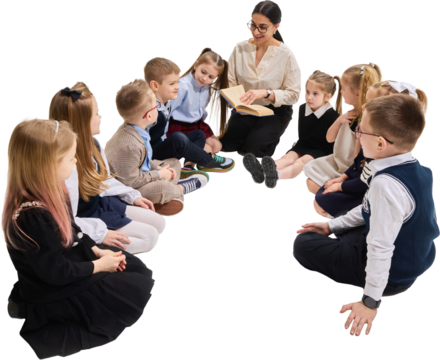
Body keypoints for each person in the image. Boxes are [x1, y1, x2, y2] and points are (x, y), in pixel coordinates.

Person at [2, 118, 155, 358]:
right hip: (55, 287)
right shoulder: (32, 217)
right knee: (125, 296)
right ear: (47, 165)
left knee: (137, 271)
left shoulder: (54, 190)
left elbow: (73, 231)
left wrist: (98, 251)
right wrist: (99, 266)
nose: (75, 161)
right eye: (70, 158)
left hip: (69, 261)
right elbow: (56, 272)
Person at [292, 94, 438, 338]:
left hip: (394, 275)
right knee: (350, 224)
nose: (357, 133)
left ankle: (363, 271)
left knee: (302, 244)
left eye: (362, 131)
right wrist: (333, 226)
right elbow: (368, 209)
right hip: (417, 256)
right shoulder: (419, 168)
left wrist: (370, 302)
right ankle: (344, 240)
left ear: (380, 144)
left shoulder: (385, 184)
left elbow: (381, 246)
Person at [49, 81, 166, 254]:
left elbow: (104, 179)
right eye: (96, 114)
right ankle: (92, 250)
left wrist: (132, 196)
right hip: (86, 218)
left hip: (101, 205)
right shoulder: (67, 165)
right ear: (82, 123)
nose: (101, 117)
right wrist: (101, 234)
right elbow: (68, 218)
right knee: (150, 238)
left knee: (160, 223)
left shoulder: (94, 144)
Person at [313, 79, 429, 219]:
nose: (363, 106)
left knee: (321, 202)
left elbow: (364, 182)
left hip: (362, 190)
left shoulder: (381, 157)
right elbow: (357, 162)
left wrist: (340, 186)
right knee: (320, 195)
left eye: (370, 102)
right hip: (355, 182)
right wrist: (343, 178)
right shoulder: (371, 144)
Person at [105, 78, 209, 218]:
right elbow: (131, 182)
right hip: (128, 188)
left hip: (139, 173)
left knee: (174, 162)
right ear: (149, 115)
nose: (159, 108)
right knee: (163, 187)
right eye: (156, 106)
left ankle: (169, 192)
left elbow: (144, 162)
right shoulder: (130, 145)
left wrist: (158, 168)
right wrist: (159, 175)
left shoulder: (138, 128)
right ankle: (179, 189)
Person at [220, 0, 301, 158]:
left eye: (262, 27)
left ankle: (270, 138)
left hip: (275, 110)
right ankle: (251, 131)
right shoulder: (240, 47)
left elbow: (294, 94)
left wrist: (266, 93)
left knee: (255, 148)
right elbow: (229, 80)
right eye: (253, 25)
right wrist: (235, 102)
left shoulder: (287, 54)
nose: (256, 32)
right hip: (245, 108)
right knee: (227, 143)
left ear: (276, 27)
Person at [242, 69, 340, 190]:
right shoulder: (303, 108)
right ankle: (261, 171)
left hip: (322, 150)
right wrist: (296, 144)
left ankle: (276, 176)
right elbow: (304, 134)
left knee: (301, 162)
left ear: (327, 97)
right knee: (287, 158)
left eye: (315, 94)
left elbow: (334, 142)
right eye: (307, 92)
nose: (309, 97)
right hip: (305, 144)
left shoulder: (332, 115)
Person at [144, 55, 236, 176]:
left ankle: (188, 166)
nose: (177, 87)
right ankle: (207, 161)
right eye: (173, 84)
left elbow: (201, 110)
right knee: (178, 138)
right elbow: (148, 133)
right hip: (157, 148)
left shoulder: (165, 104)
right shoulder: (155, 109)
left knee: (200, 135)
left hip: (181, 134)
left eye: (210, 77)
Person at [303, 61, 383, 196]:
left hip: (349, 168)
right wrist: (339, 120)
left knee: (312, 185)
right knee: (310, 170)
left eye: (344, 88)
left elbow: (357, 159)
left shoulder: (365, 122)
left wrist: (346, 177)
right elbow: (329, 138)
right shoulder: (348, 114)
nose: (341, 91)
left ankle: (338, 193)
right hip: (337, 161)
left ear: (357, 93)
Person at [168, 47, 236, 174]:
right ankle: (192, 163)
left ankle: (198, 157)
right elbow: (168, 110)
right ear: (196, 65)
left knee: (217, 146)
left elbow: (201, 110)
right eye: (203, 72)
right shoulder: (183, 86)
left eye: (211, 77)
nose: (205, 79)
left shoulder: (206, 88)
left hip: (196, 125)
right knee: (208, 148)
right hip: (179, 127)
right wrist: (162, 135)